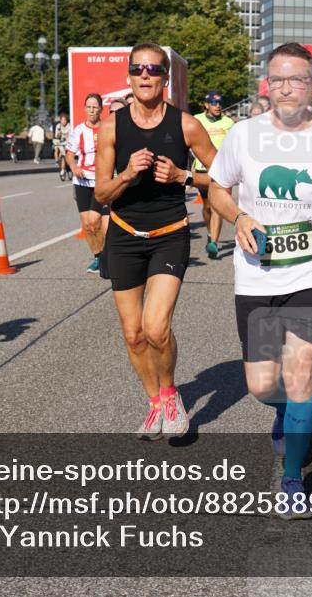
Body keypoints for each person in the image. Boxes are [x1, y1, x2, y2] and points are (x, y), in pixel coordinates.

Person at [207, 42, 312, 517]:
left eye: (296, 79)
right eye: (277, 79)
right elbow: (217, 187)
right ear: (268, 84)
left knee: (300, 374)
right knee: (263, 385)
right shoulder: (243, 135)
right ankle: (282, 410)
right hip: (256, 271)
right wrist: (238, 217)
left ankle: (292, 480)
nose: (285, 88)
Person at [95, 42, 216, 440]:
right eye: (137, 69)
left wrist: (183, 176)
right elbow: (100, 194)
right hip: (125, 237)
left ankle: (170, 395)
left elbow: (224, 175)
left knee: (156, 328)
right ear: (129, 77)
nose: (144, 76)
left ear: (166, 78)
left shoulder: (186, 125)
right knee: (132, 333)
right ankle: (152, 402)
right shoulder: (111, 126)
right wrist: (128, 174)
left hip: (169, 235)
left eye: (153, 70)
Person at [66, 93, 108, 273]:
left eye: (95, 107)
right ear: (85, 109)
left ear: (101, 109)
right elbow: (69, 154)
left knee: (95, 220)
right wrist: (74, 167)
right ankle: (98, 256)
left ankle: (106, 256)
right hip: (82, 181)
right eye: (89, 107)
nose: (92, 110)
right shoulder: (78, 130)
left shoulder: (107, 128)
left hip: (100, 180)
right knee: (87, 224)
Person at [192, 91, 236, 259]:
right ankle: (210, 232)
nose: (218, 106)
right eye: (214, 102)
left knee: (218, 205)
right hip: (202, 170)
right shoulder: (197, 120)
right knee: (207, 207)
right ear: (206, 104)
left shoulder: (228, 122)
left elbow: (233, 145)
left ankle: (214, 243)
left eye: (220, 103)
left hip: (222, 172)